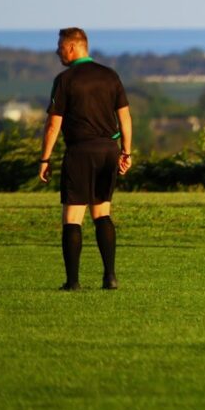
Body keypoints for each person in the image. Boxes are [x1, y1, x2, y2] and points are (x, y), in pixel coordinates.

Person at [39, 28, 133, 290]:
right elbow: (125, 118)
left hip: (80, 151)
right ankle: (110, 277)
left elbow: (52, 125)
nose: (57, 51)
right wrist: (126, 152)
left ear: (72, 47)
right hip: (108, 151)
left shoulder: (65, 80)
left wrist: (44, 159)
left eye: (60, 46)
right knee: (102, 213)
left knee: (72, 217)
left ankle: (72, 282)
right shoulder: (110, 76)